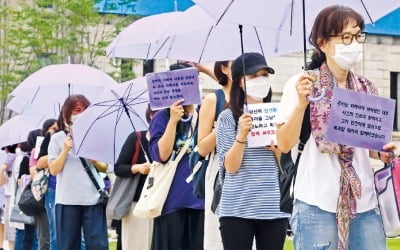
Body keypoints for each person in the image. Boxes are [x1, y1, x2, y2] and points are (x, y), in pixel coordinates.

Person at [275, 5, 397, 250]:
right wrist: (301, 104)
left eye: (357, 36)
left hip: (364, 206)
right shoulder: (302, 85)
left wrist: (382, 152)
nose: (353, 44)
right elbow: (284, 144)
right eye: (345, 38)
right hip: (316, 205)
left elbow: (370, 146)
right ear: (322, 42)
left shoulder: (367, 88)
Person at [216, 52, 289, 250]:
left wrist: (276, 149)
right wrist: (241, 135)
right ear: (240, 82)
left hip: (273, 207)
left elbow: (287, 166)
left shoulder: (280, 114)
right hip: (236, 208)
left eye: (265, 75)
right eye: (253, 76)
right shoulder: (227, 118)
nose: (260, 80)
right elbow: (230, 167)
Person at [148, 63, 204, 250]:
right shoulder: (161, 117)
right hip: (171, 201)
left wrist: (204, 70)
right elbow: (161, 155)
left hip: (201, 201)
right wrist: (173, 121)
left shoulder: (203, 113)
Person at [48, 95, 108, 250]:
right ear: (67, 114)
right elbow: (53, 170)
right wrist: (65, 150)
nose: (81, 115)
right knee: (68, 245)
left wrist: (93, 160)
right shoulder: (57, 139)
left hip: (93, 199)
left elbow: (104, 167)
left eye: (85, 111)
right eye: (77, 111)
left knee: (98, 245)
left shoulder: (94, 136)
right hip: (67, 200)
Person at [197, 61, 231, 250]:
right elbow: (202, 147)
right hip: (220, 171)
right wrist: (222, 125)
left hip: (250, 170)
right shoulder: (213, 99)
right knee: (217, 234)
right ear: (224, 68)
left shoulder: (253, 98)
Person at [114, 105, 157, 250]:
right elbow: (119, 168)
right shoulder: (136, 138)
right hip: (136, 203)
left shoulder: (172, 140)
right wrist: (137, 168)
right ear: (151, 116)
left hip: (160, 203)